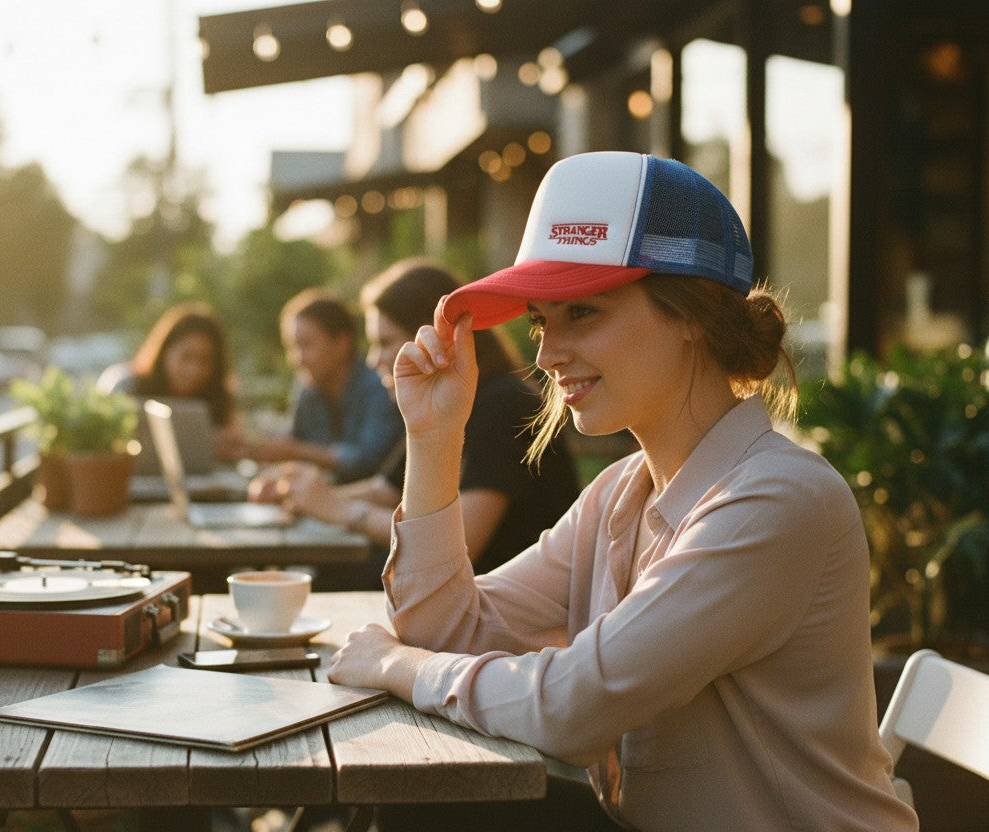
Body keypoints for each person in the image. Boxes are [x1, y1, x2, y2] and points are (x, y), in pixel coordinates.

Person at [327, 152, 919, 831]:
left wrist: (398, 666)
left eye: (583, 312)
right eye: (541, 321)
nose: (546, 354)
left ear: (693, 313)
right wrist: (434, 439)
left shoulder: (780, 500)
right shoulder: (620, 493)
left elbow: (573, 710)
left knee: (425, 811)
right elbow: (445, 631)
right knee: (424, 806)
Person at [255, 257, 580, 575]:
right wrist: (299, 494)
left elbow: (460, 545)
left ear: (435, 338)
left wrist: (341, 510)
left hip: (514, 599)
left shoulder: (504, 404)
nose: (374, 360)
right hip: (468, 592)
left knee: (326, 578)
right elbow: (387, 490)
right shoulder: (442, 404)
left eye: (385, 342)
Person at [232, 288, 404, 484]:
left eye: (305, 345)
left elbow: (370, 462)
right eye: (292, 347)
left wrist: (297, 451)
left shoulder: (381, 385)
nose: (297, 359)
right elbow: (292, 441)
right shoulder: (308, 389)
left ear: (342, 344)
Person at [97, 301, 242, 455]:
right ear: (164, 351)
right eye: (186, 357)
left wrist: (230, 448)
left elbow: (237, 449)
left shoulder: (220, 400)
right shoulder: (126, 385)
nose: (194, 370)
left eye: (204, 360)